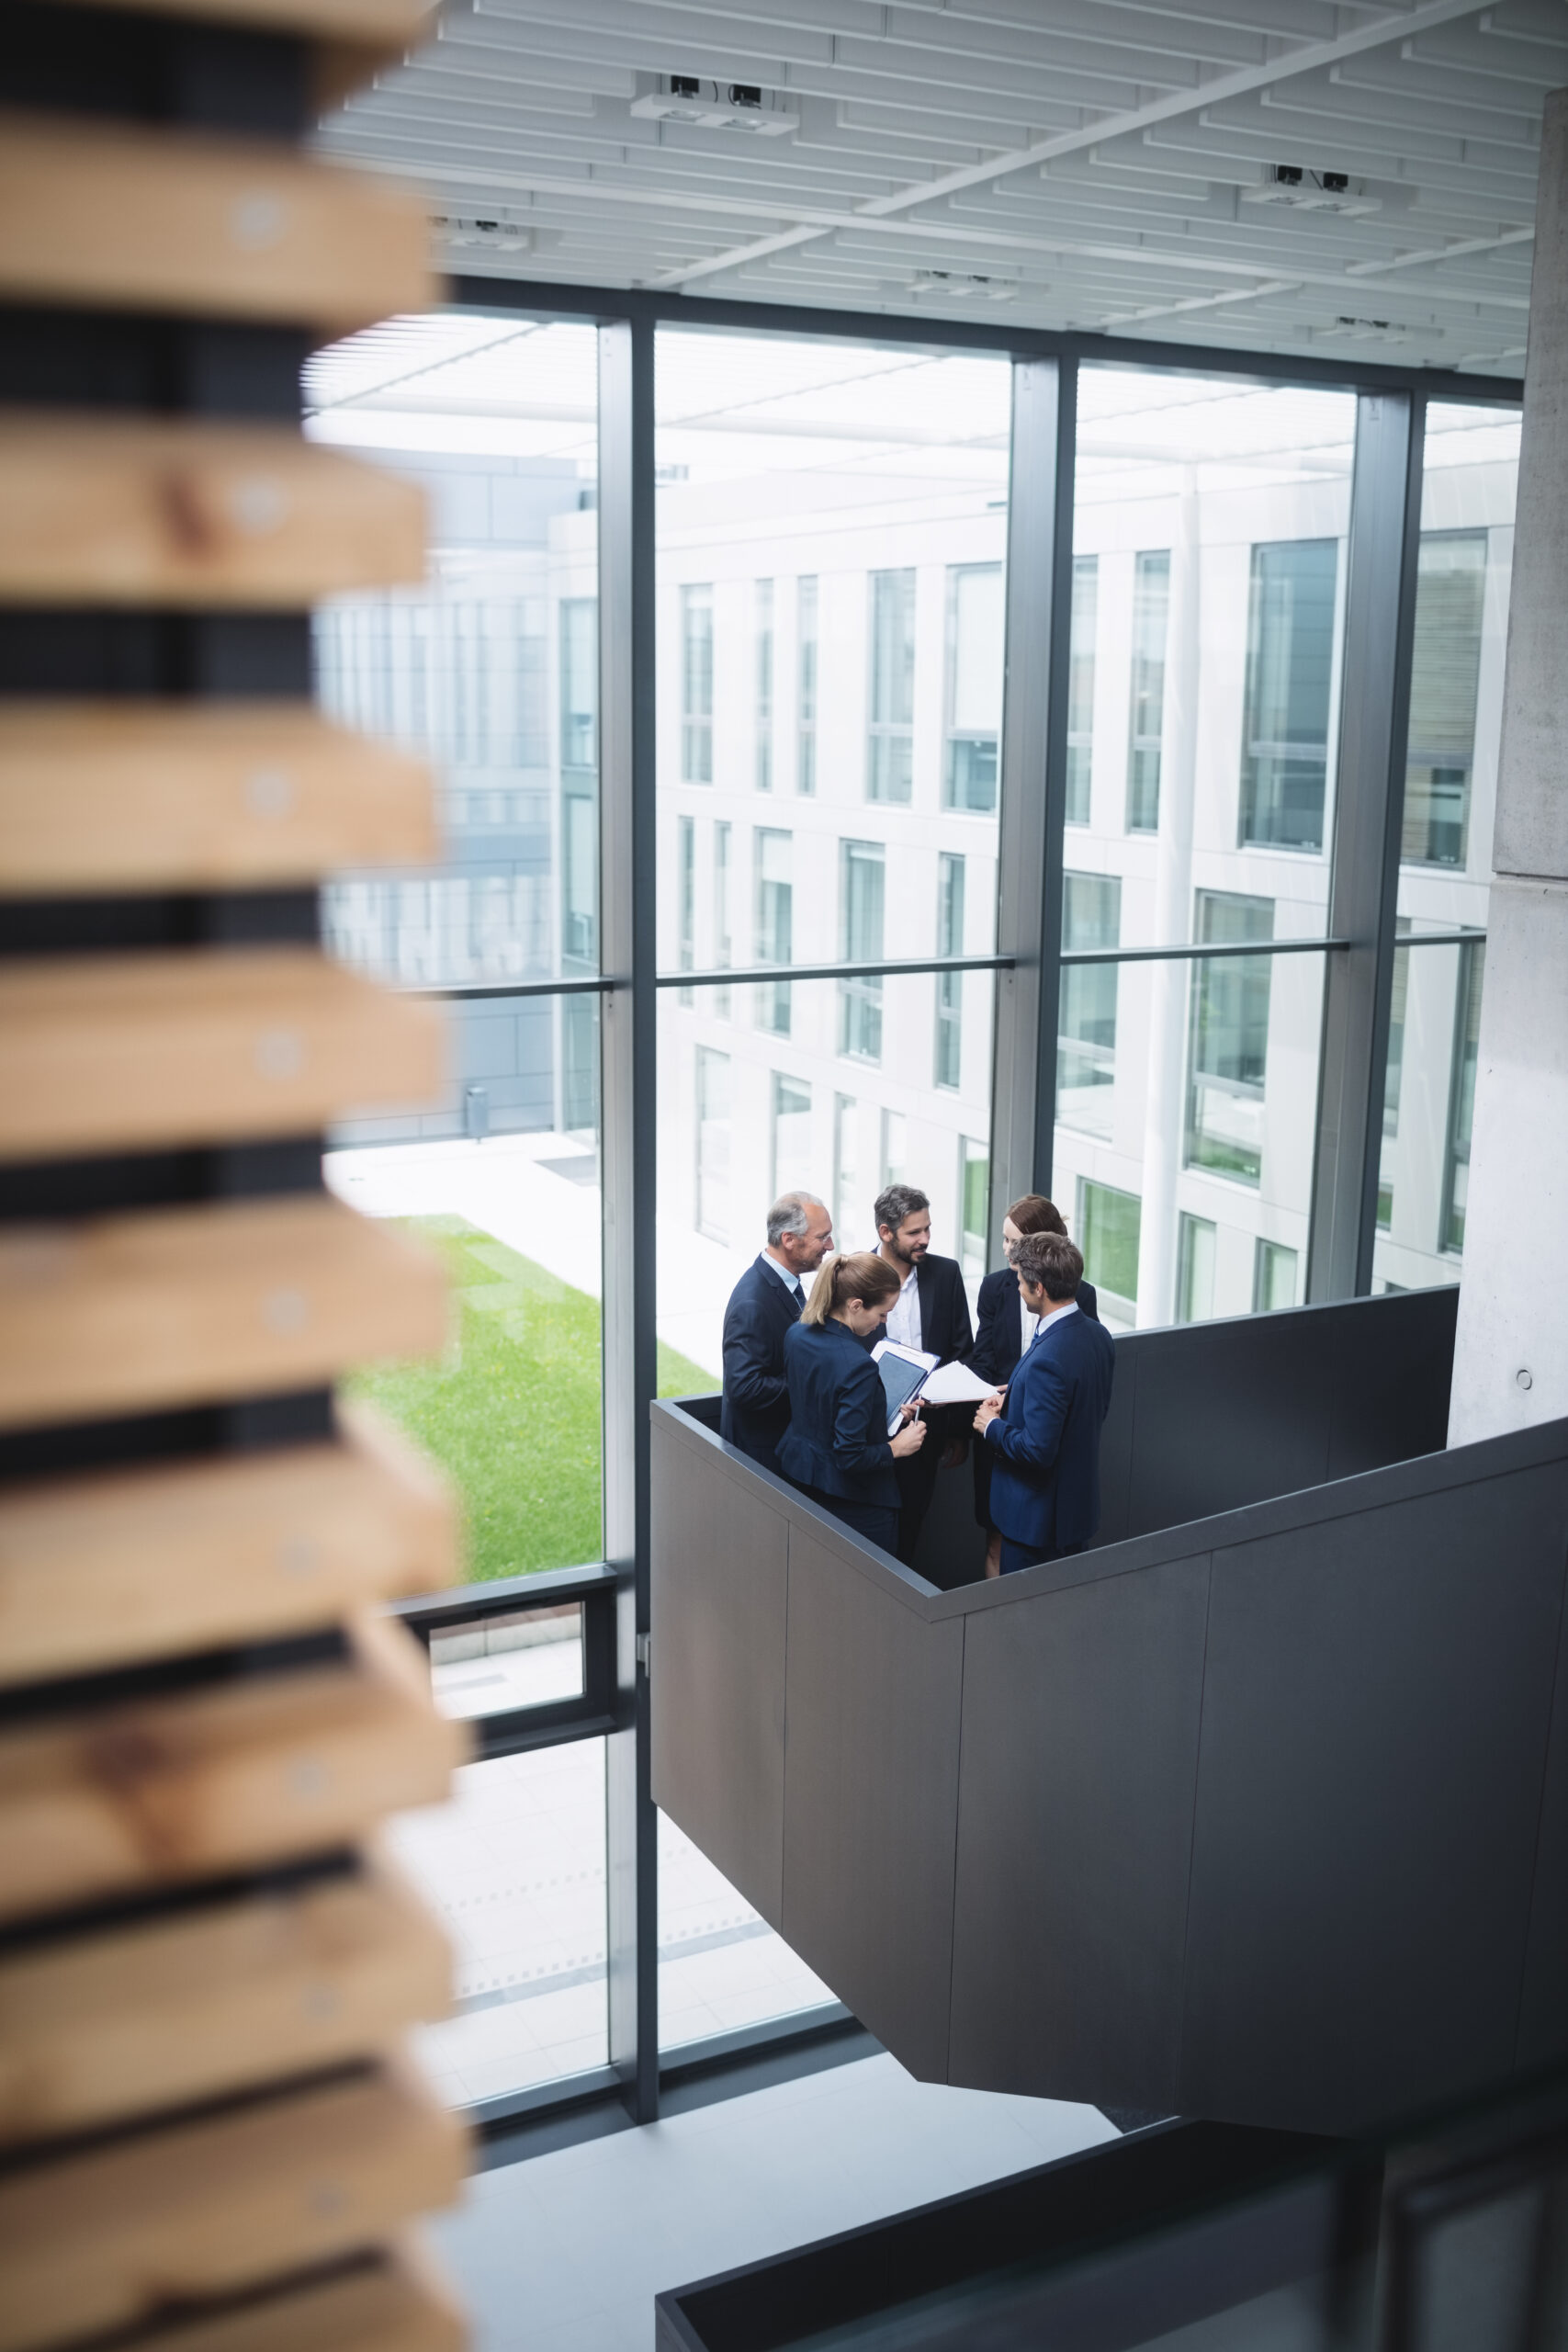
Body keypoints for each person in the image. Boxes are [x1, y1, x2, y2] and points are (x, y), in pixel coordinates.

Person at [968, 1195, 1099, 1577]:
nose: (1009, 1250)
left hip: (1031, 1445)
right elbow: (983, 1357)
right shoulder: (995, 1288)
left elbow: (1072, 1379)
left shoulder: (1080, 1300)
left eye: (1017, 1241)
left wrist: (999, 1417)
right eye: (1005, 1240)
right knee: (999, 1538)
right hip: (1004, 1434)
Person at [778, 1251, 927, 1554]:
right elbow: (849, 1456)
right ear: (856, 1305)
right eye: (882, 1314)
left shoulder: (796, 1335)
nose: (883, 1322)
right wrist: (897, 1447)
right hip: (857, 1504)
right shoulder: (858, 1365)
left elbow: (822, 1403)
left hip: (803, 1478)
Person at [872, 1182, 974, 1565]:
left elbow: (962, 1352)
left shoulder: (946, 1275)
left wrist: (958, 1432)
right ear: (886, 1232)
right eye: (915, 1232)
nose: (925, 1239)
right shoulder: (853, 1276)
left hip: (927, 1435)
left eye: (927, 1229)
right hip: (868, 1439)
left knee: (910, 1538)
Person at [719, 1192, 834, 1476]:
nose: (830, 1245)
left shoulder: (786, 1285)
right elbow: (744, 1387)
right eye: (823, 1237)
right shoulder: (752, 1303)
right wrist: (814, 1385)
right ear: (789, 1239)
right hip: (764, 1463)